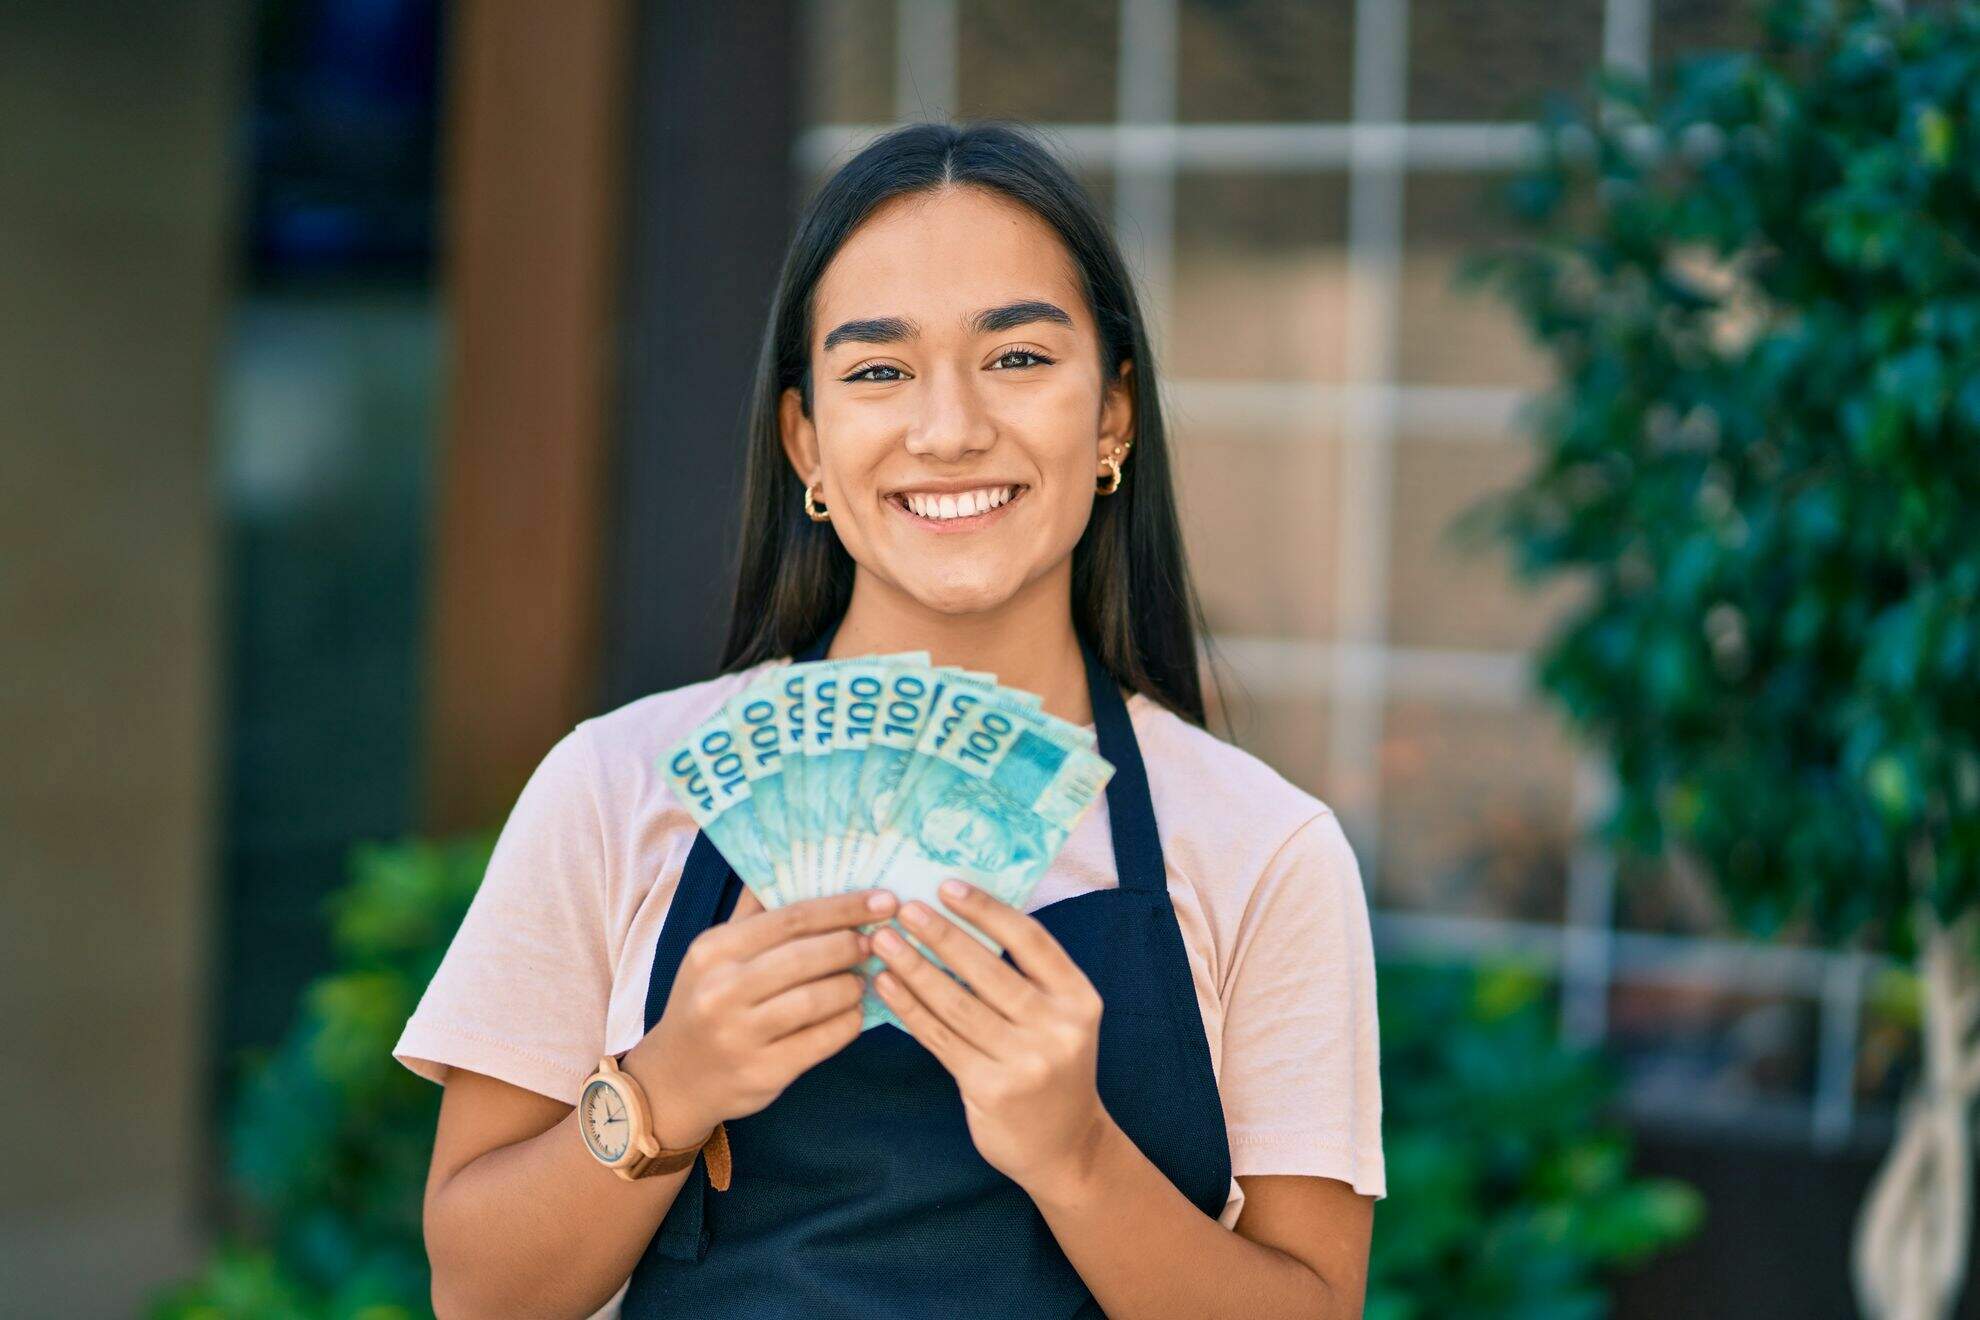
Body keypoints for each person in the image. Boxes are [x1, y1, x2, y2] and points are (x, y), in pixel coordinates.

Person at [394, 120, 1384, 1319]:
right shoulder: (614, 788)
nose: (950, 428)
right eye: (877, 371)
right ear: (806, 440)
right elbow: (478, 1293)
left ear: (1115, 414)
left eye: (1019, 358)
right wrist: (669, 1083)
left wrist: (1077, 1157)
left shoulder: (1261, 850)